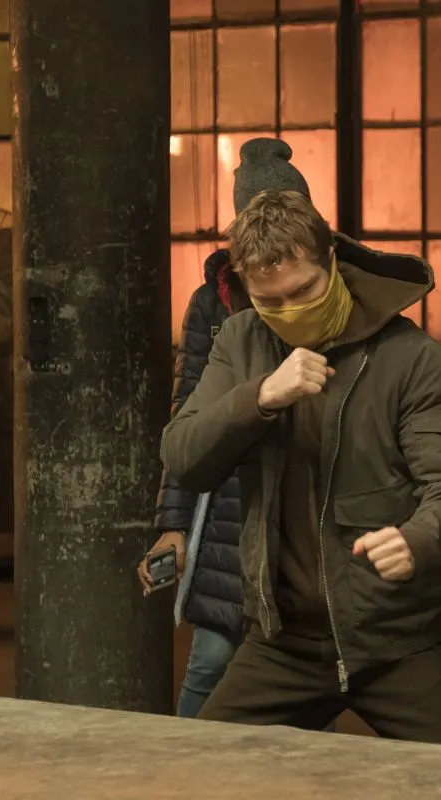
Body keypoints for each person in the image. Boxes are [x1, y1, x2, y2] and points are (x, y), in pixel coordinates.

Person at [160, 188, 441, 747]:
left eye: (304, 291)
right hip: (281, 643)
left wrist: (418, 538)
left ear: (332, 261)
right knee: (205, 768)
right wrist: (260, 397)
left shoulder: (410, 356)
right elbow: (184, 458)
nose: (290, 310)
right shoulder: (241, 341)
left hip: (394, 639)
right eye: (271, 301)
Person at [138, 137, 312, 718]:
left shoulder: (326, 290)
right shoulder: (211, 303)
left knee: (307, 670)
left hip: (300, 494)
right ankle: (186, 762)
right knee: (212, 657)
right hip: (224, 501)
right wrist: (173, 526)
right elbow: (187, 416)